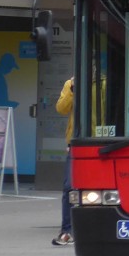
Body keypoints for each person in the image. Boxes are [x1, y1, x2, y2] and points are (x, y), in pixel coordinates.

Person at [53, 76, 75, 246]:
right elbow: (61, 108)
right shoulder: (70, 83)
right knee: (69, 187)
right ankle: (67, 230)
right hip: (76, 142)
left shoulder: (104, 82)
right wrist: (73, 90)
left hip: (102, 139)